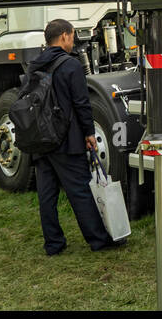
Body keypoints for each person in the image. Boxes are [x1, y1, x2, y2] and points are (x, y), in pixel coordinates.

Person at [28, 18, 122, 255]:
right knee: (79, 190)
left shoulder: (34, 65)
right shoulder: (70, 65)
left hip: (40, 139)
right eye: (71, 37)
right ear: (63, 37)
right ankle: (99, 241)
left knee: (46, 194)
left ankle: (53, 244)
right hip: (66, 140)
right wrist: (89, 133)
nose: (72, 41)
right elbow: (82, 104)